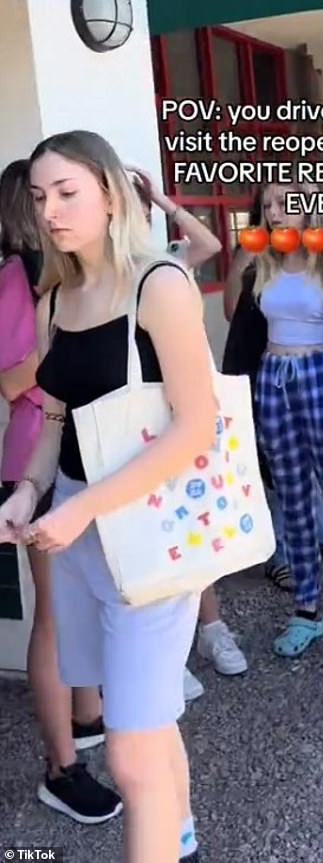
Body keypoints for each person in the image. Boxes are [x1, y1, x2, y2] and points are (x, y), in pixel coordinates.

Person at [0, 130, 218, 863]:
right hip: (78, 532)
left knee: (127, 757)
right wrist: (29, 488)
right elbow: (54, 413)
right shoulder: (60, 292)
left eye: (67, 192)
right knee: (146, 720)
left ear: (108, 192)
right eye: (39, 197)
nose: (51, 211)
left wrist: (81, 505)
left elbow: (195, 428)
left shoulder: (159, 284)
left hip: (147, 533)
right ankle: (179, 838)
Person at [0, 160, 121, 824]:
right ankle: (60, 767)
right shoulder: (17, 282)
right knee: (52, 617)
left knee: (78, 604)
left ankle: (88, 714)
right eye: (47, 199)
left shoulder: (69, 278)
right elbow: (15, 381)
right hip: (32, 469)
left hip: (81, 462)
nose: (59, 212)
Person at [223, 177, 323, 661]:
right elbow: (242, 337)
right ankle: (306, 609)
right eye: (267, 204)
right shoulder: (261, 267)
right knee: (292, 499)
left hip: (321, 378)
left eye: (283, 203)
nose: (273, 212)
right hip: (275, 379)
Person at [129, 168, 247, 686]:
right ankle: (167, 653)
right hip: (142, 418)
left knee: (196, 526)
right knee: (158, 531)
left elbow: (210, 242)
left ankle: (211, 627)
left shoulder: (166, 262)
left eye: (141, 207)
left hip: (193, 410)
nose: (136, 216)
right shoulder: (108, 280)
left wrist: (159, 196)